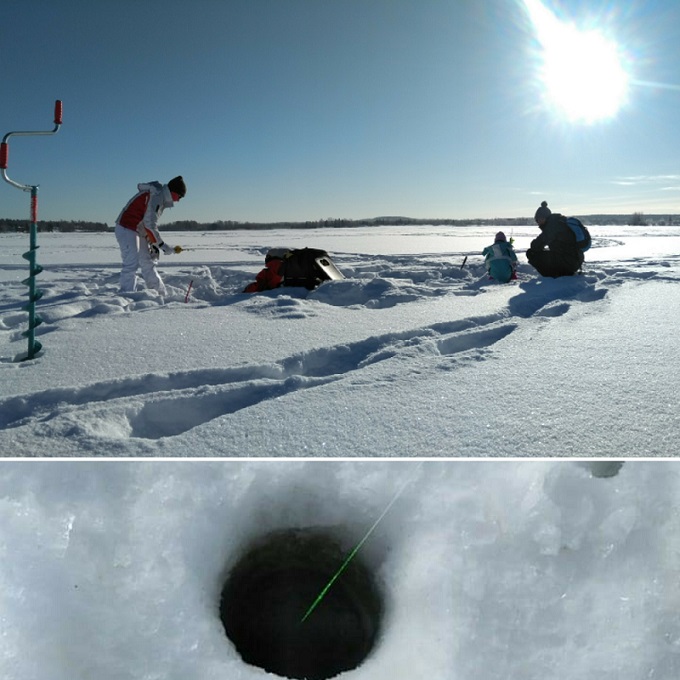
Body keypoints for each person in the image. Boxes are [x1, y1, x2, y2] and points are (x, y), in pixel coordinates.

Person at [114, 176, 186, 295]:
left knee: (147, 261)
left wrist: (152, 244)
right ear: (173, 192)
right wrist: (162, 246)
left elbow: (145, 224)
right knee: (132, 262)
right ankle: (126, 294)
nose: (178, 200)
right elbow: (149, 226)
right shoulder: (156, 197)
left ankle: (159, 293)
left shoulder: (159, 198)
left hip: (137, 230)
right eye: (180, 196)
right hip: (126, 227)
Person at [526, 201, 584, 277]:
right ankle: (558, 273)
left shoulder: (552, 227)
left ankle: (552, 276)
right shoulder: (558, 222)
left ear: (544, 218)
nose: (538, 222)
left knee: (531, 253)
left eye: (539, 219)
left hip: (569, 262)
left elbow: (536, 245)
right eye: (537, 220)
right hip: (574, 260)